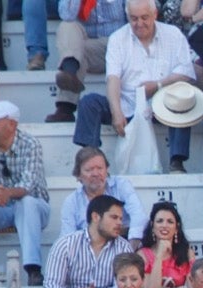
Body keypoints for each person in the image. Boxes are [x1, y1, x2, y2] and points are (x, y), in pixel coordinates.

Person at [71, 0, 195, 174]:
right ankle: (92, 160)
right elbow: (113, 78)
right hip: (127, 104)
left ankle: (177, 162)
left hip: (163, 104)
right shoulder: (117, 38)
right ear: (127, 17)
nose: (139, 23)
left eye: (144, 18)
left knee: (183, 100)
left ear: (155, 15)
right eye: (134, 18)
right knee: (89, 103)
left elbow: (187, 73)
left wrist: (158, 85)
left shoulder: (173, 34)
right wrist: (116, 111)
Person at [0, 102, 50, 287]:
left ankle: (33, 269)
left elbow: (28, 186)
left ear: (11, 124)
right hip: (0, 207)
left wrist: (7, 193)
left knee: (27, 202)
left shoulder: (31, 144)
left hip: (35, 210)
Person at [44, 0, 126, 123]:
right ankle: (69, 78)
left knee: (75, 50)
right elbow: (67, 15)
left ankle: (66, 103)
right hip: (85, 49)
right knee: (67, 27)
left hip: (117, 46)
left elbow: (135, 15)